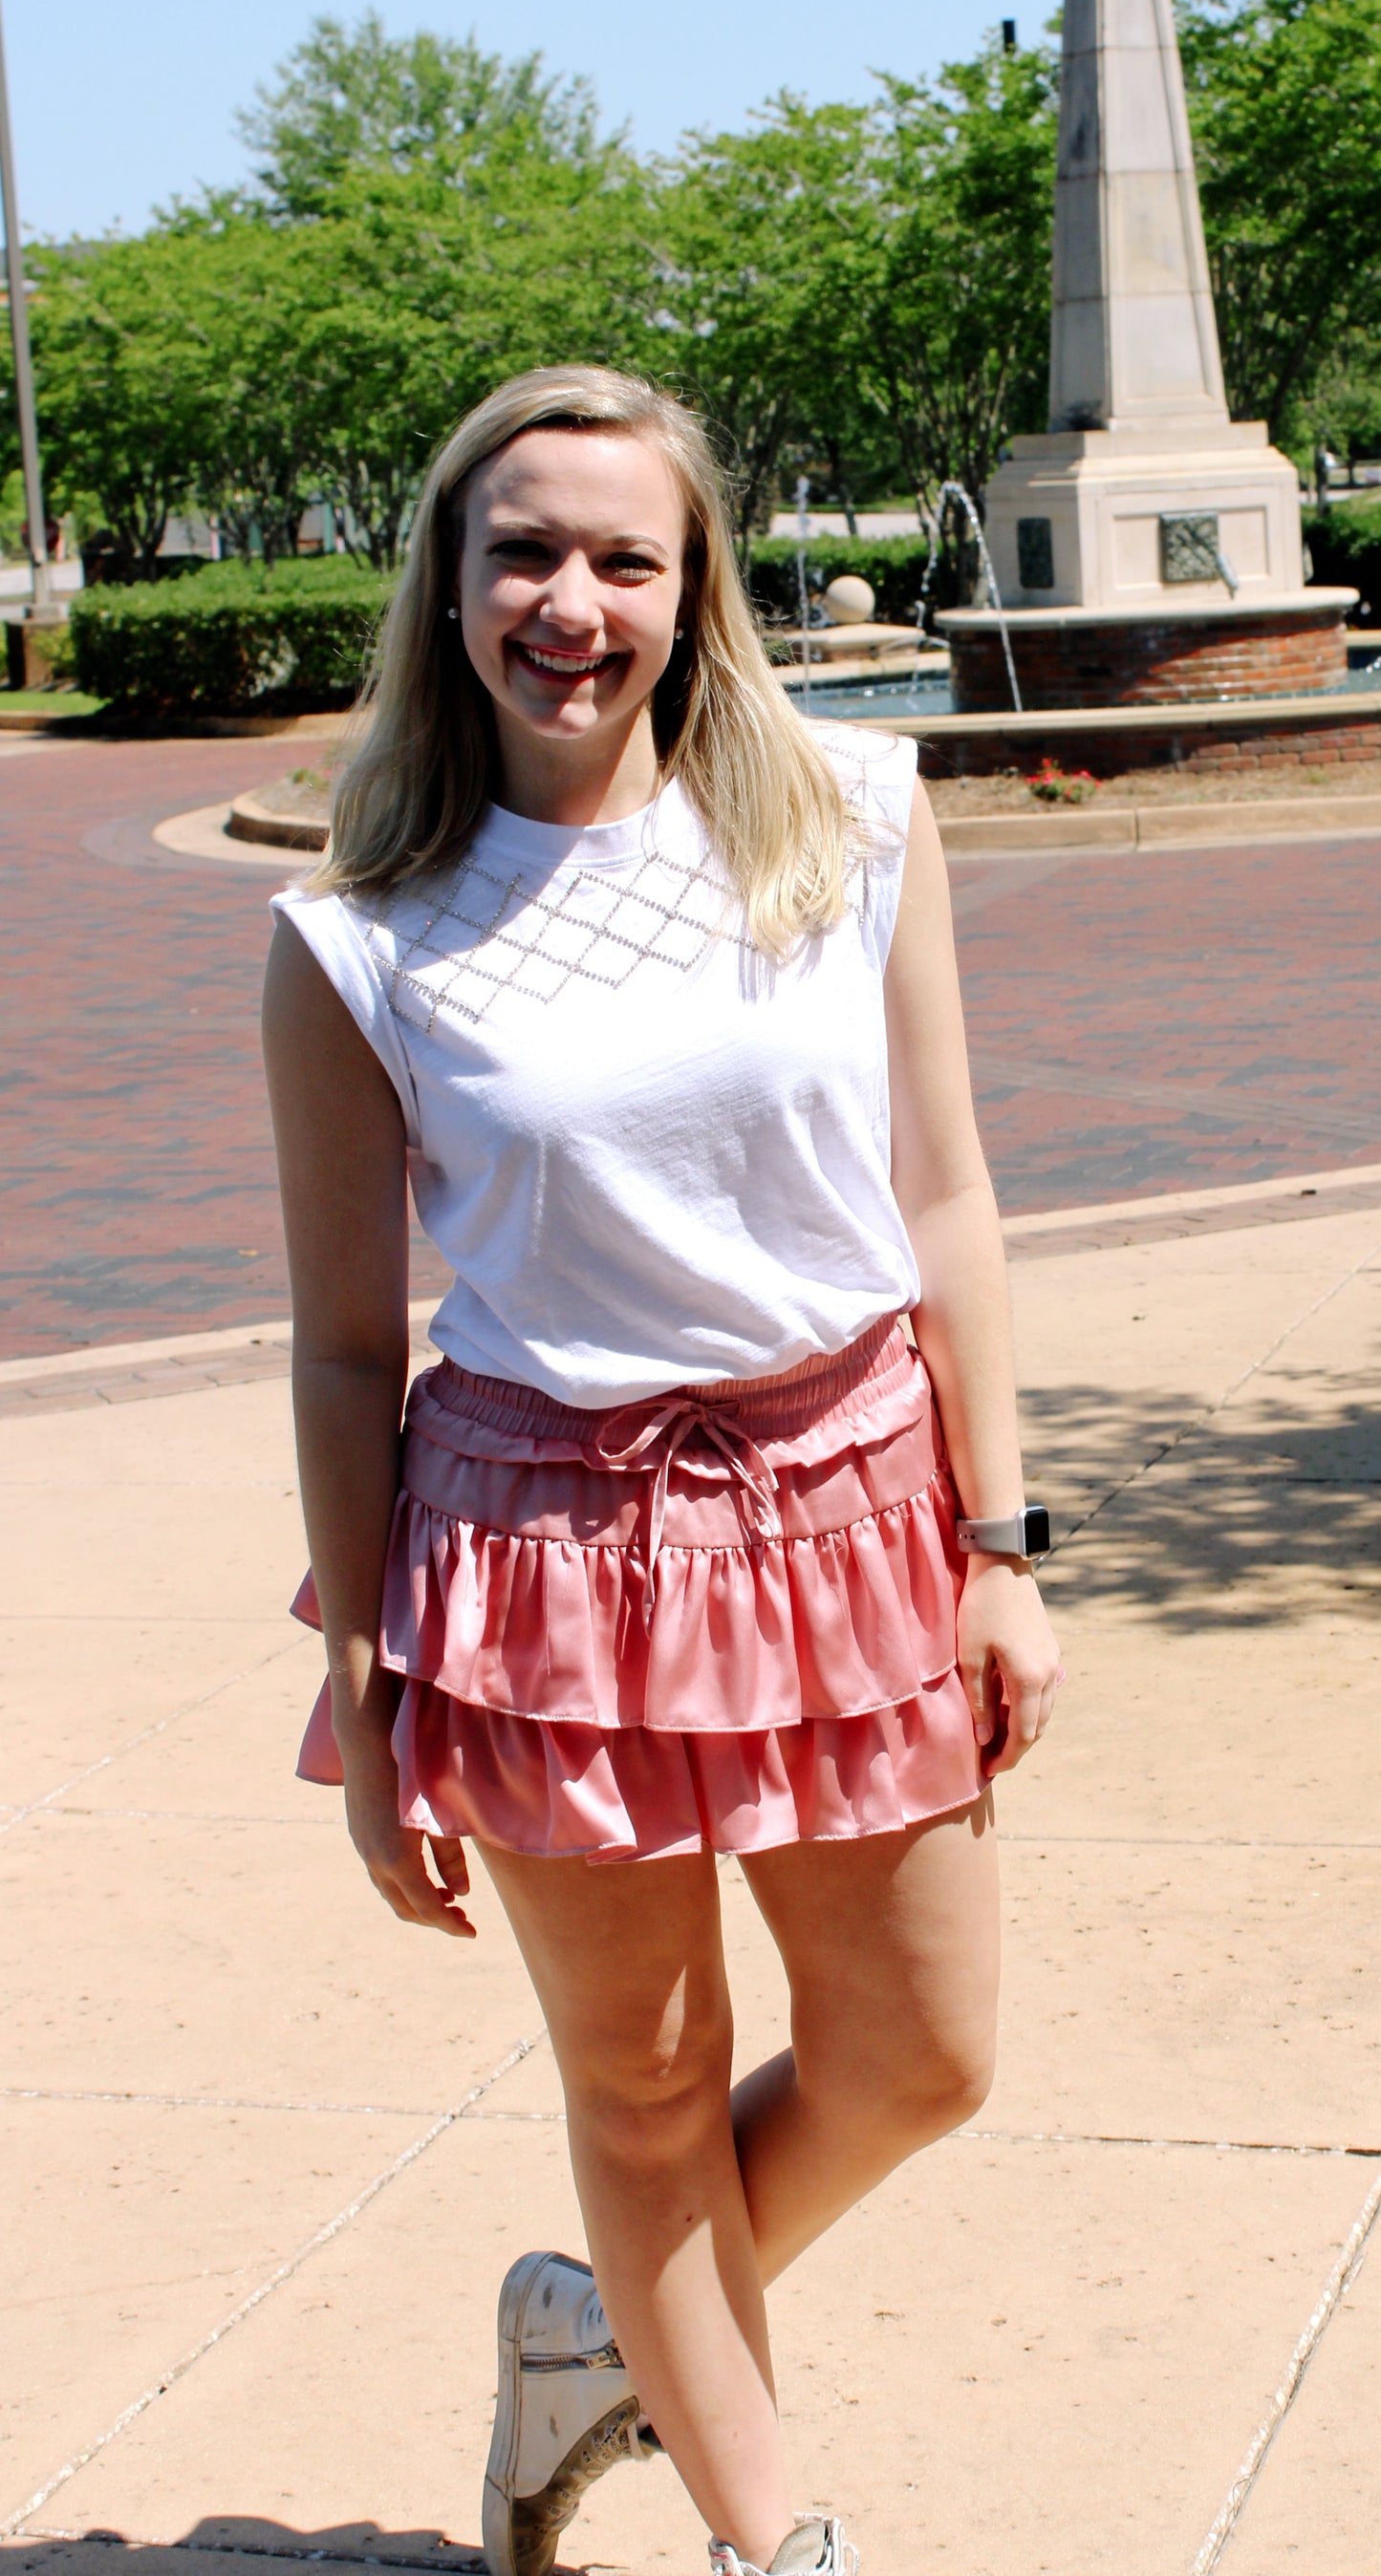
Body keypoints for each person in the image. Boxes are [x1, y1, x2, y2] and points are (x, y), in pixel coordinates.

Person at [262, 366, 1063, 2576]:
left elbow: (945, 1195)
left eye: (626, 555)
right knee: (642, 2081)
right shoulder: (363, 932)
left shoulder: (853, 816)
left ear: (696, 583)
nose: (572, 601)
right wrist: (369, 1698)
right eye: (522, 549)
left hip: (849, 1505)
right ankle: (770, 2540)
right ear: (448, 582)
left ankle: (593, 2342)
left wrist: (1003, 1540)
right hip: (542, 1549)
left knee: (920, 2051)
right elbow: (345, 1349)